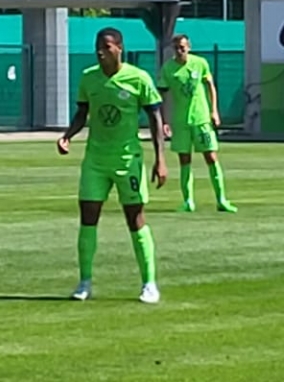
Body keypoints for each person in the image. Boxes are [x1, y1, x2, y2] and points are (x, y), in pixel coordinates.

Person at [58, 27, 167, 303]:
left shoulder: (138, 78)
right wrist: (67, 136)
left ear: (119, 48)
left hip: (127, 160)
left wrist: (160, 160)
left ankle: (149, 284)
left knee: (135, 218)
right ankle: (84, 282)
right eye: (98, 46)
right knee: (88, 217)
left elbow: (155, 117)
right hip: (95, 160)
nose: (100, 52)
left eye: (106, 46)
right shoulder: (88, 78)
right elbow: (82, 112)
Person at [158, 33, 235, 214]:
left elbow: (210, 86)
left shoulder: (200, 63)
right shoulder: (168, 68)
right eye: (176, 48)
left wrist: (214, 110)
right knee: (184, 160)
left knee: (211, 157)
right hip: (181, 121)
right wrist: (164, 120)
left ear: (189, 47)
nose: (179, 51)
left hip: (201, 119)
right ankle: (188, 201)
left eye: (182, 47)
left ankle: (221, 200)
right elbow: (162, 96)